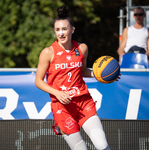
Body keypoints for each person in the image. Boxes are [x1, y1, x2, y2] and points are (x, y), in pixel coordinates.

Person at [35, 5, 111, 150]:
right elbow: (38, 81)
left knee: (102, 145)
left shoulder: (82, 48)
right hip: (62, 106)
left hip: (83, 102)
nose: (61, 33)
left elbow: (81, 72)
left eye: (64, 29)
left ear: (72, 30)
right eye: (57, 29)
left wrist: (99, 74)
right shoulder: (48, 52)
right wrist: (56, 92)